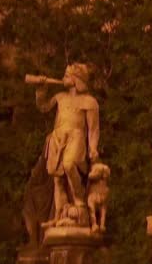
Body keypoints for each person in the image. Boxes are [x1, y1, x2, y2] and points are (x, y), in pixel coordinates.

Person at [31, 63, 100, 226]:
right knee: (58, 179)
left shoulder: (89, 102)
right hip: (58, 137)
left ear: (77, 80)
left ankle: (80, 202)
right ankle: (59, 214)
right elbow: (43, 107)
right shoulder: (60, 97)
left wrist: (93, 148)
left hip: (76, 136)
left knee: (69, 164)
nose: (63, 78)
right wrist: (41, 89)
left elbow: (93, 129)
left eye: (67, 75)